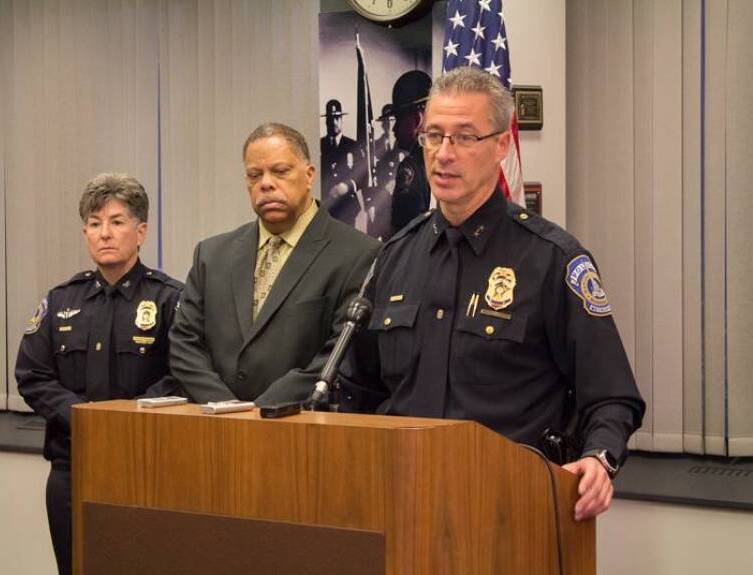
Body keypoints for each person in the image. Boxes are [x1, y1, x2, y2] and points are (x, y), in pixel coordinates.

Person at [339, 67, 645, 521]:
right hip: (400, 503)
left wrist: (599, 458)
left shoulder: (551, 259)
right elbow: (357, 388)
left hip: (510, 510)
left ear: (502, 145)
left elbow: (611, 395)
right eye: (433, 136)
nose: (444, 154)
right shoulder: (394, 257)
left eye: (465, 137)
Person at [15, 172, 183, 575]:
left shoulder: (169, 299)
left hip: (144, 464)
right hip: (72, 468)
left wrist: (121, 420)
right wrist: (85, 418)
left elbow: (183, 375)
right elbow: (32, 375)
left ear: (141, 232)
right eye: (94, 223)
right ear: (85, 233)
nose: (104, 233)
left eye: (117, 221)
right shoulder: (61, 300)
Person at [170, 122, 380, 405]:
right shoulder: (211, 255)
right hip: (216, 423)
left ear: (309, 175)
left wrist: (260, 415)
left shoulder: (358, 254)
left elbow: (340, 355)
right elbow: (184, 345)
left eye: (280, 171)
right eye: (254, 175)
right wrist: (228, 411)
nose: (266, 183)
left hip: (297, 423)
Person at [383, 70, 433, 235]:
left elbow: (403, 232)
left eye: (398, 119)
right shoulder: (440, 157)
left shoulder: (411, 166)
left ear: (417, 120)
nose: (394, 129)